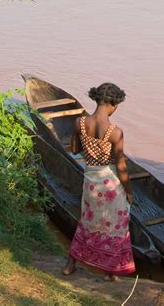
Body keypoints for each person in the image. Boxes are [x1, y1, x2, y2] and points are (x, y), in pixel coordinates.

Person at [62, 83, 135, 281]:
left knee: (87, 222)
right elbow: (120, 167)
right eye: (117, 105)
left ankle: (70, 265)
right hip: (110, 183)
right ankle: (109, 272)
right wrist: (129, 191)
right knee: (115, 226)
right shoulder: (115, 132)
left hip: (91, 181)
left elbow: (75, 149)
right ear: (113, 105)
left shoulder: (80, 123)